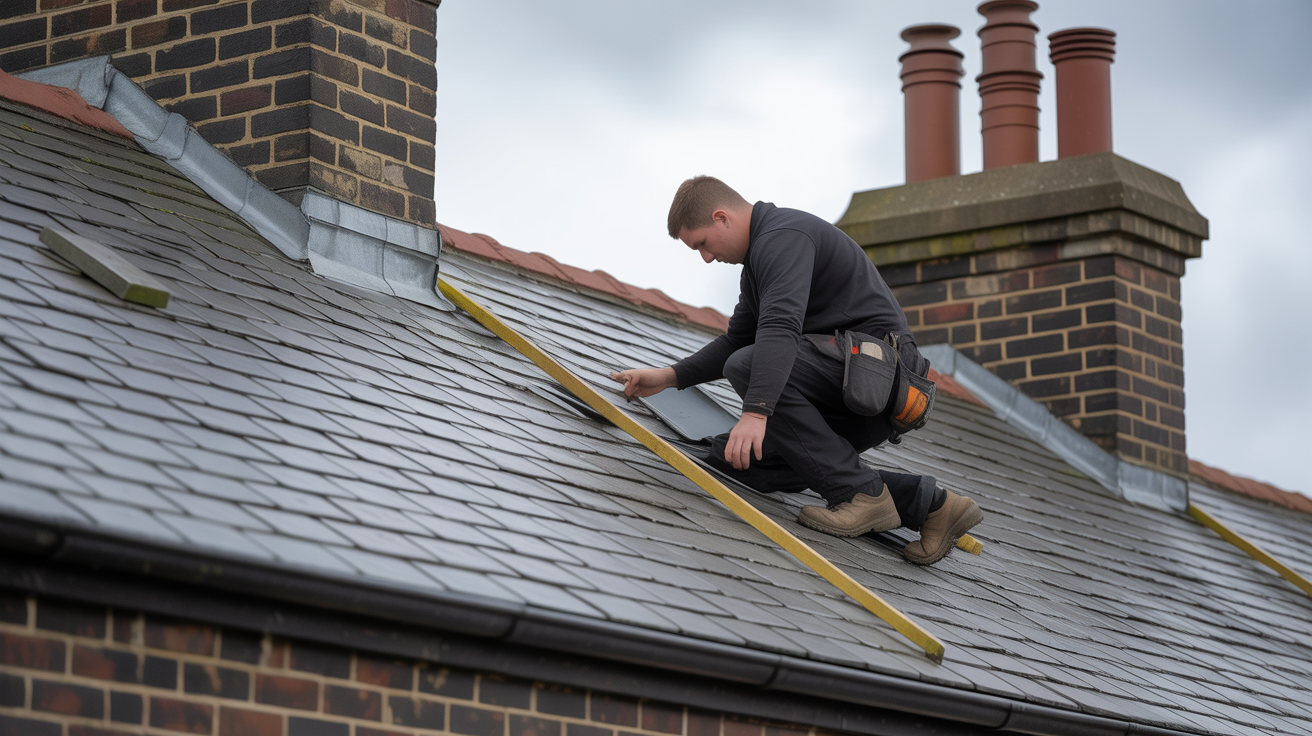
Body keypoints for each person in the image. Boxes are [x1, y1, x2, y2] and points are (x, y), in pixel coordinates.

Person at [611, 176, 982, 565]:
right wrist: (669, 377)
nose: (705, 257)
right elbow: (737, 339)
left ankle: (862, 495)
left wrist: (756, 412)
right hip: (850, 389)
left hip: (879, 381)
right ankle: (933, 506)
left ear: (722, 217)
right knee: (743, 462)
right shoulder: (758, 265)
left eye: (702, 243)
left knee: (748, 369)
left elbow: (779, 328)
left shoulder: (783, 237)